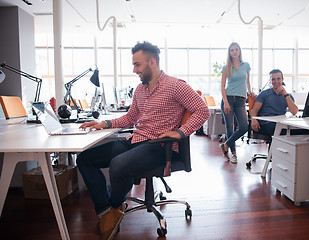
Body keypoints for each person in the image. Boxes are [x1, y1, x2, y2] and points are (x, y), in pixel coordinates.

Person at [76, 41, 210, 240]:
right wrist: (103, 123)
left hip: (159, 145)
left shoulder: (175, 86)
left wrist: (182, 132)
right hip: (135, 139)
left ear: (152, 62)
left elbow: (202, 110)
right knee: (84, 159)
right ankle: (108, 211)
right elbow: (130, 118)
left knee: (118, 165)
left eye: (137, 64)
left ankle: (114, 208)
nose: (134, 69)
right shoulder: (140, 90)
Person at [219, 42, 254, 164]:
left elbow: (248, 81)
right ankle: (233, 154)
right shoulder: (226, 66)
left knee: (244, 126)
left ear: (240, 51)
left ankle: (226, 145)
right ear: (229, 52)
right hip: (228, 99)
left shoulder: (246, 65)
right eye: (232, 50)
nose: (234, 51)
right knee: (230, 127)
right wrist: (225, 102)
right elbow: (222, 86)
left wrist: (250, 91)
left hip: (241, 100)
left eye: (236, 49)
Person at [251, 69, 298, 136]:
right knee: (280, 130)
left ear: (282, 79)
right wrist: (253, 120)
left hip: (281, 123)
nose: (276, 81)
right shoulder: (264, 94)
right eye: (273, 79)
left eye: (278, 79)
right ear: (270, 81)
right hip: (266, 123)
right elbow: (254, 111)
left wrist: (285, 94)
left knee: (307, 132)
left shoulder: (288, 96)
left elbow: (294, 112)